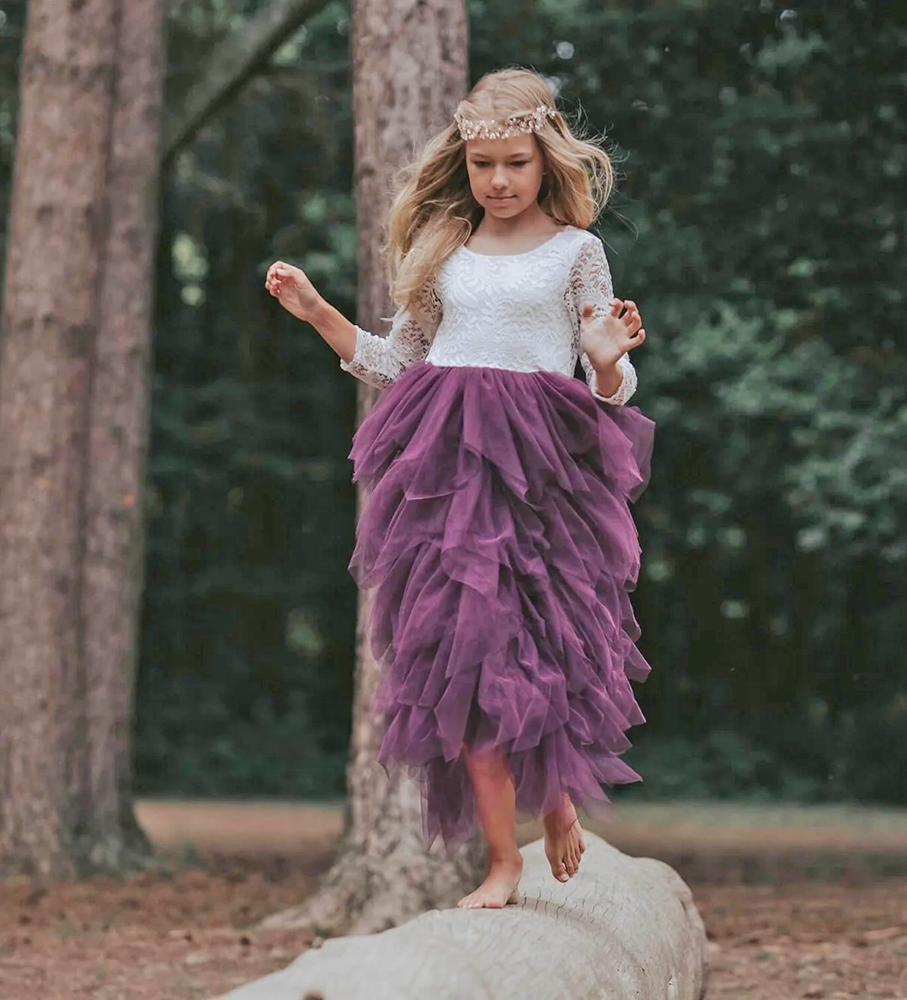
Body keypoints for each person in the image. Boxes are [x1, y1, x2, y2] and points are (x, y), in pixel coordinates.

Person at [265, 67, 655, 910]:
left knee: (539, 654)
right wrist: (317, 312)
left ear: (545, 160)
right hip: (443, 478)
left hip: (540, 476)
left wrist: (609, 360)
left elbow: (608, 397)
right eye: (485, 167)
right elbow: (395, 363)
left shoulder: (577, 253)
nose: (500, 182)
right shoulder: (444, 245)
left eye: (516, 163)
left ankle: (554, 805)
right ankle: (500, 862)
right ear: (466, 163)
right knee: (462, 663)